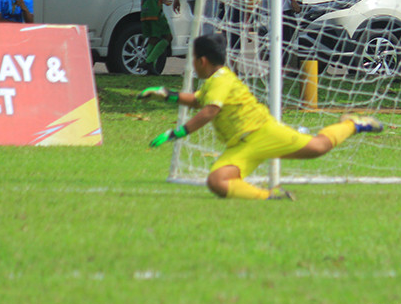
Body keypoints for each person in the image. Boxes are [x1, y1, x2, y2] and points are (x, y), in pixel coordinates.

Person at [139, 33, 383, 200]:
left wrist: (177, 132)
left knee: (318, 148)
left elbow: (209, 110)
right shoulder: (215, 81)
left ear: (202, 60)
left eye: (193, 60)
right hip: (241, 145)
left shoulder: (221, 79)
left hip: (262, 132)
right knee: (216, 181)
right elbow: (198, 100)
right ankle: (270, 196)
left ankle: (352, 124)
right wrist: (167, 94)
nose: (192, 64)